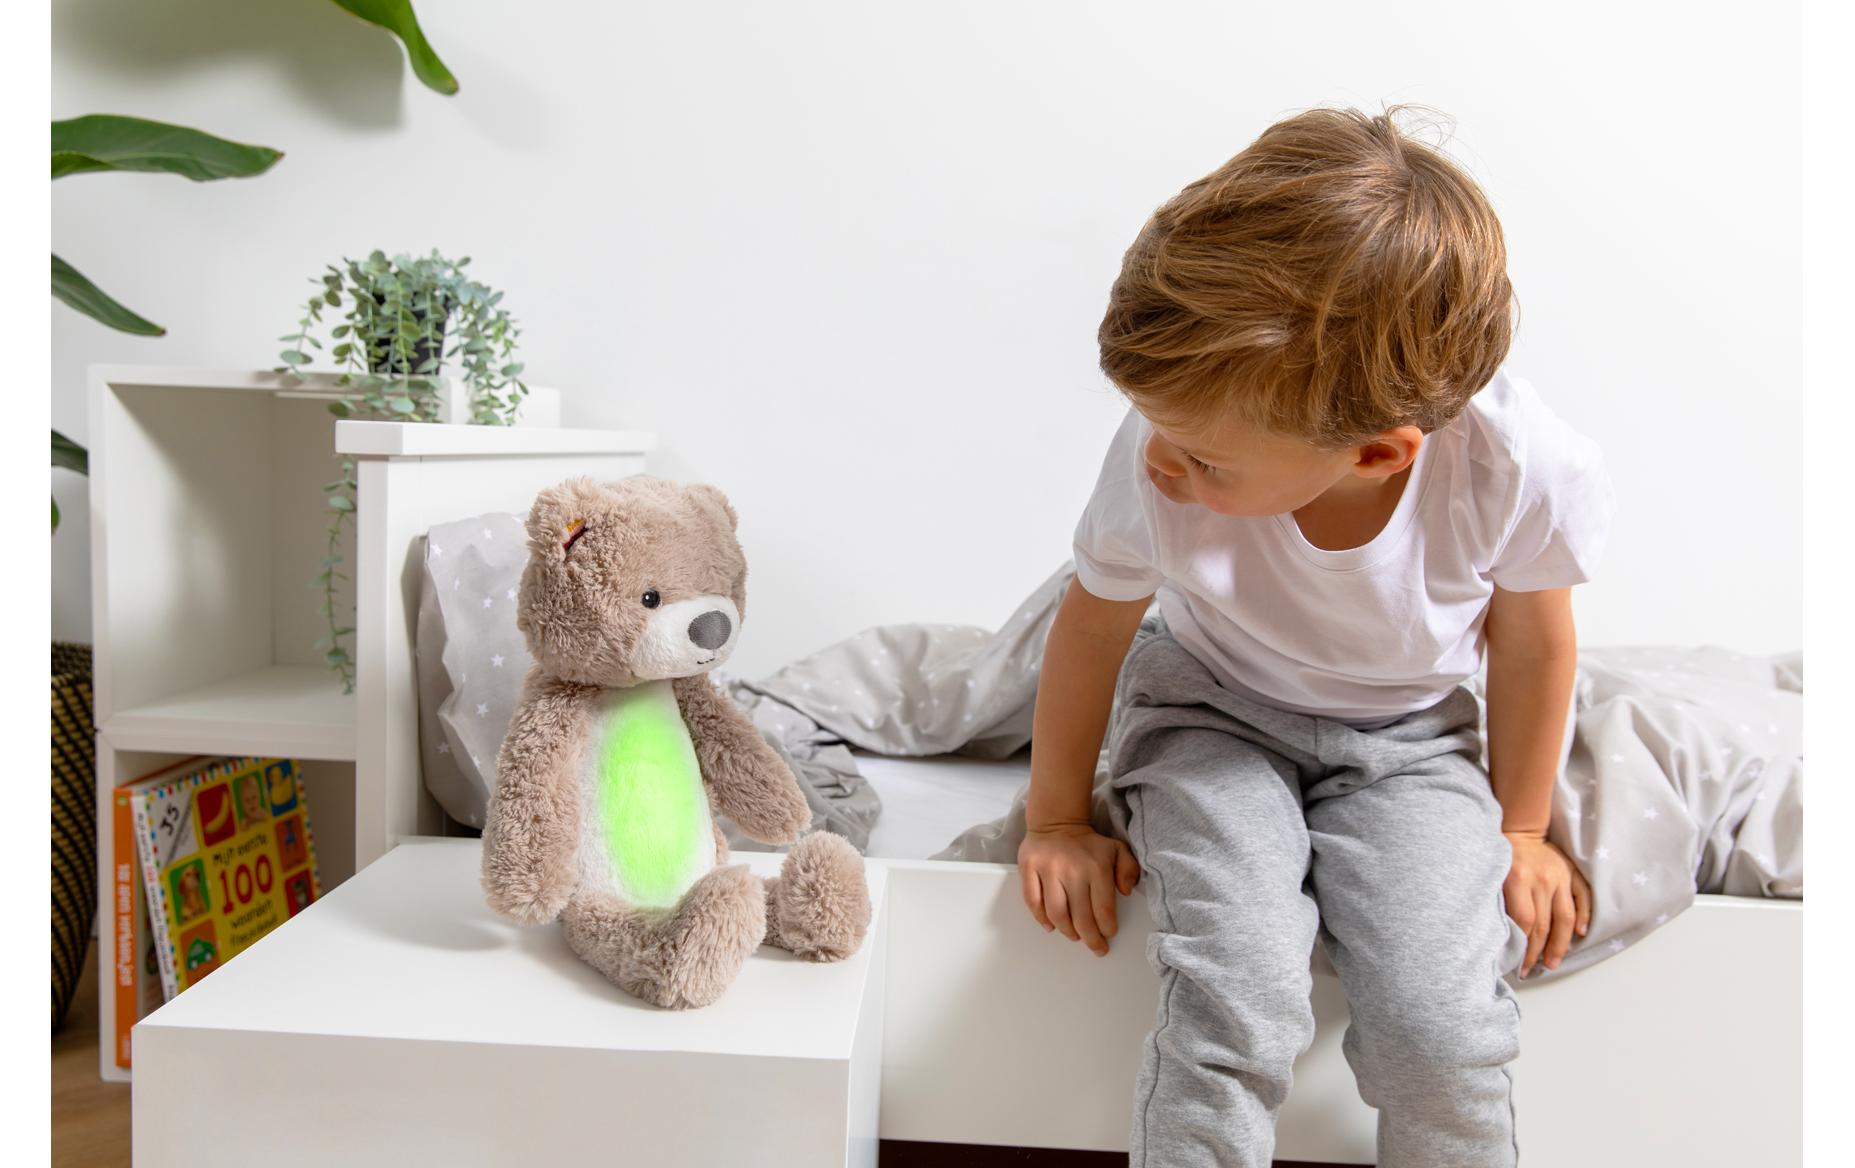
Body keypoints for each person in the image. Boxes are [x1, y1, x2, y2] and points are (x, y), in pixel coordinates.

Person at [1016, 104, 1615, 1167]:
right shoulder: (1161, 451)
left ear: (1378, 454)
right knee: (1235, 990)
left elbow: (1530, 645)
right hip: (1209, 712)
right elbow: (1094, 625)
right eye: (1159, 429)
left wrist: (1522, 830)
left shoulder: (1518, 468)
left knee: (1443, 1030)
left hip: (1408, 741)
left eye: (1206, 461)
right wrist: (1058, 818)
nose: (1163, 464)